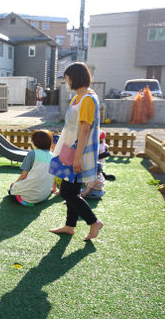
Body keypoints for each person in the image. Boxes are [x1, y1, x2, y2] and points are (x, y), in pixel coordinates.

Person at [50, 62, 103, 241]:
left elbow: (85, 129)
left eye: (68, 79)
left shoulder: (88, 98)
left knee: (67, 192)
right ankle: (70, 226)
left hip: (77, 151)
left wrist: (78, 157)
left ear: (75, 78)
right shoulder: (77, 98)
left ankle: (94, 222)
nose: (67, 83)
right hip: (70, 149)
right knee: (71, 190)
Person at [9, 130, 54, 206]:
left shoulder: (32, 154)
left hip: (29, 196)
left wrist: (14, 183)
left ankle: (21, 200)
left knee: (12, 189)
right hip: (44, 195)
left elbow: (24, 175)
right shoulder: (52, 155)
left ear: (35, 142)